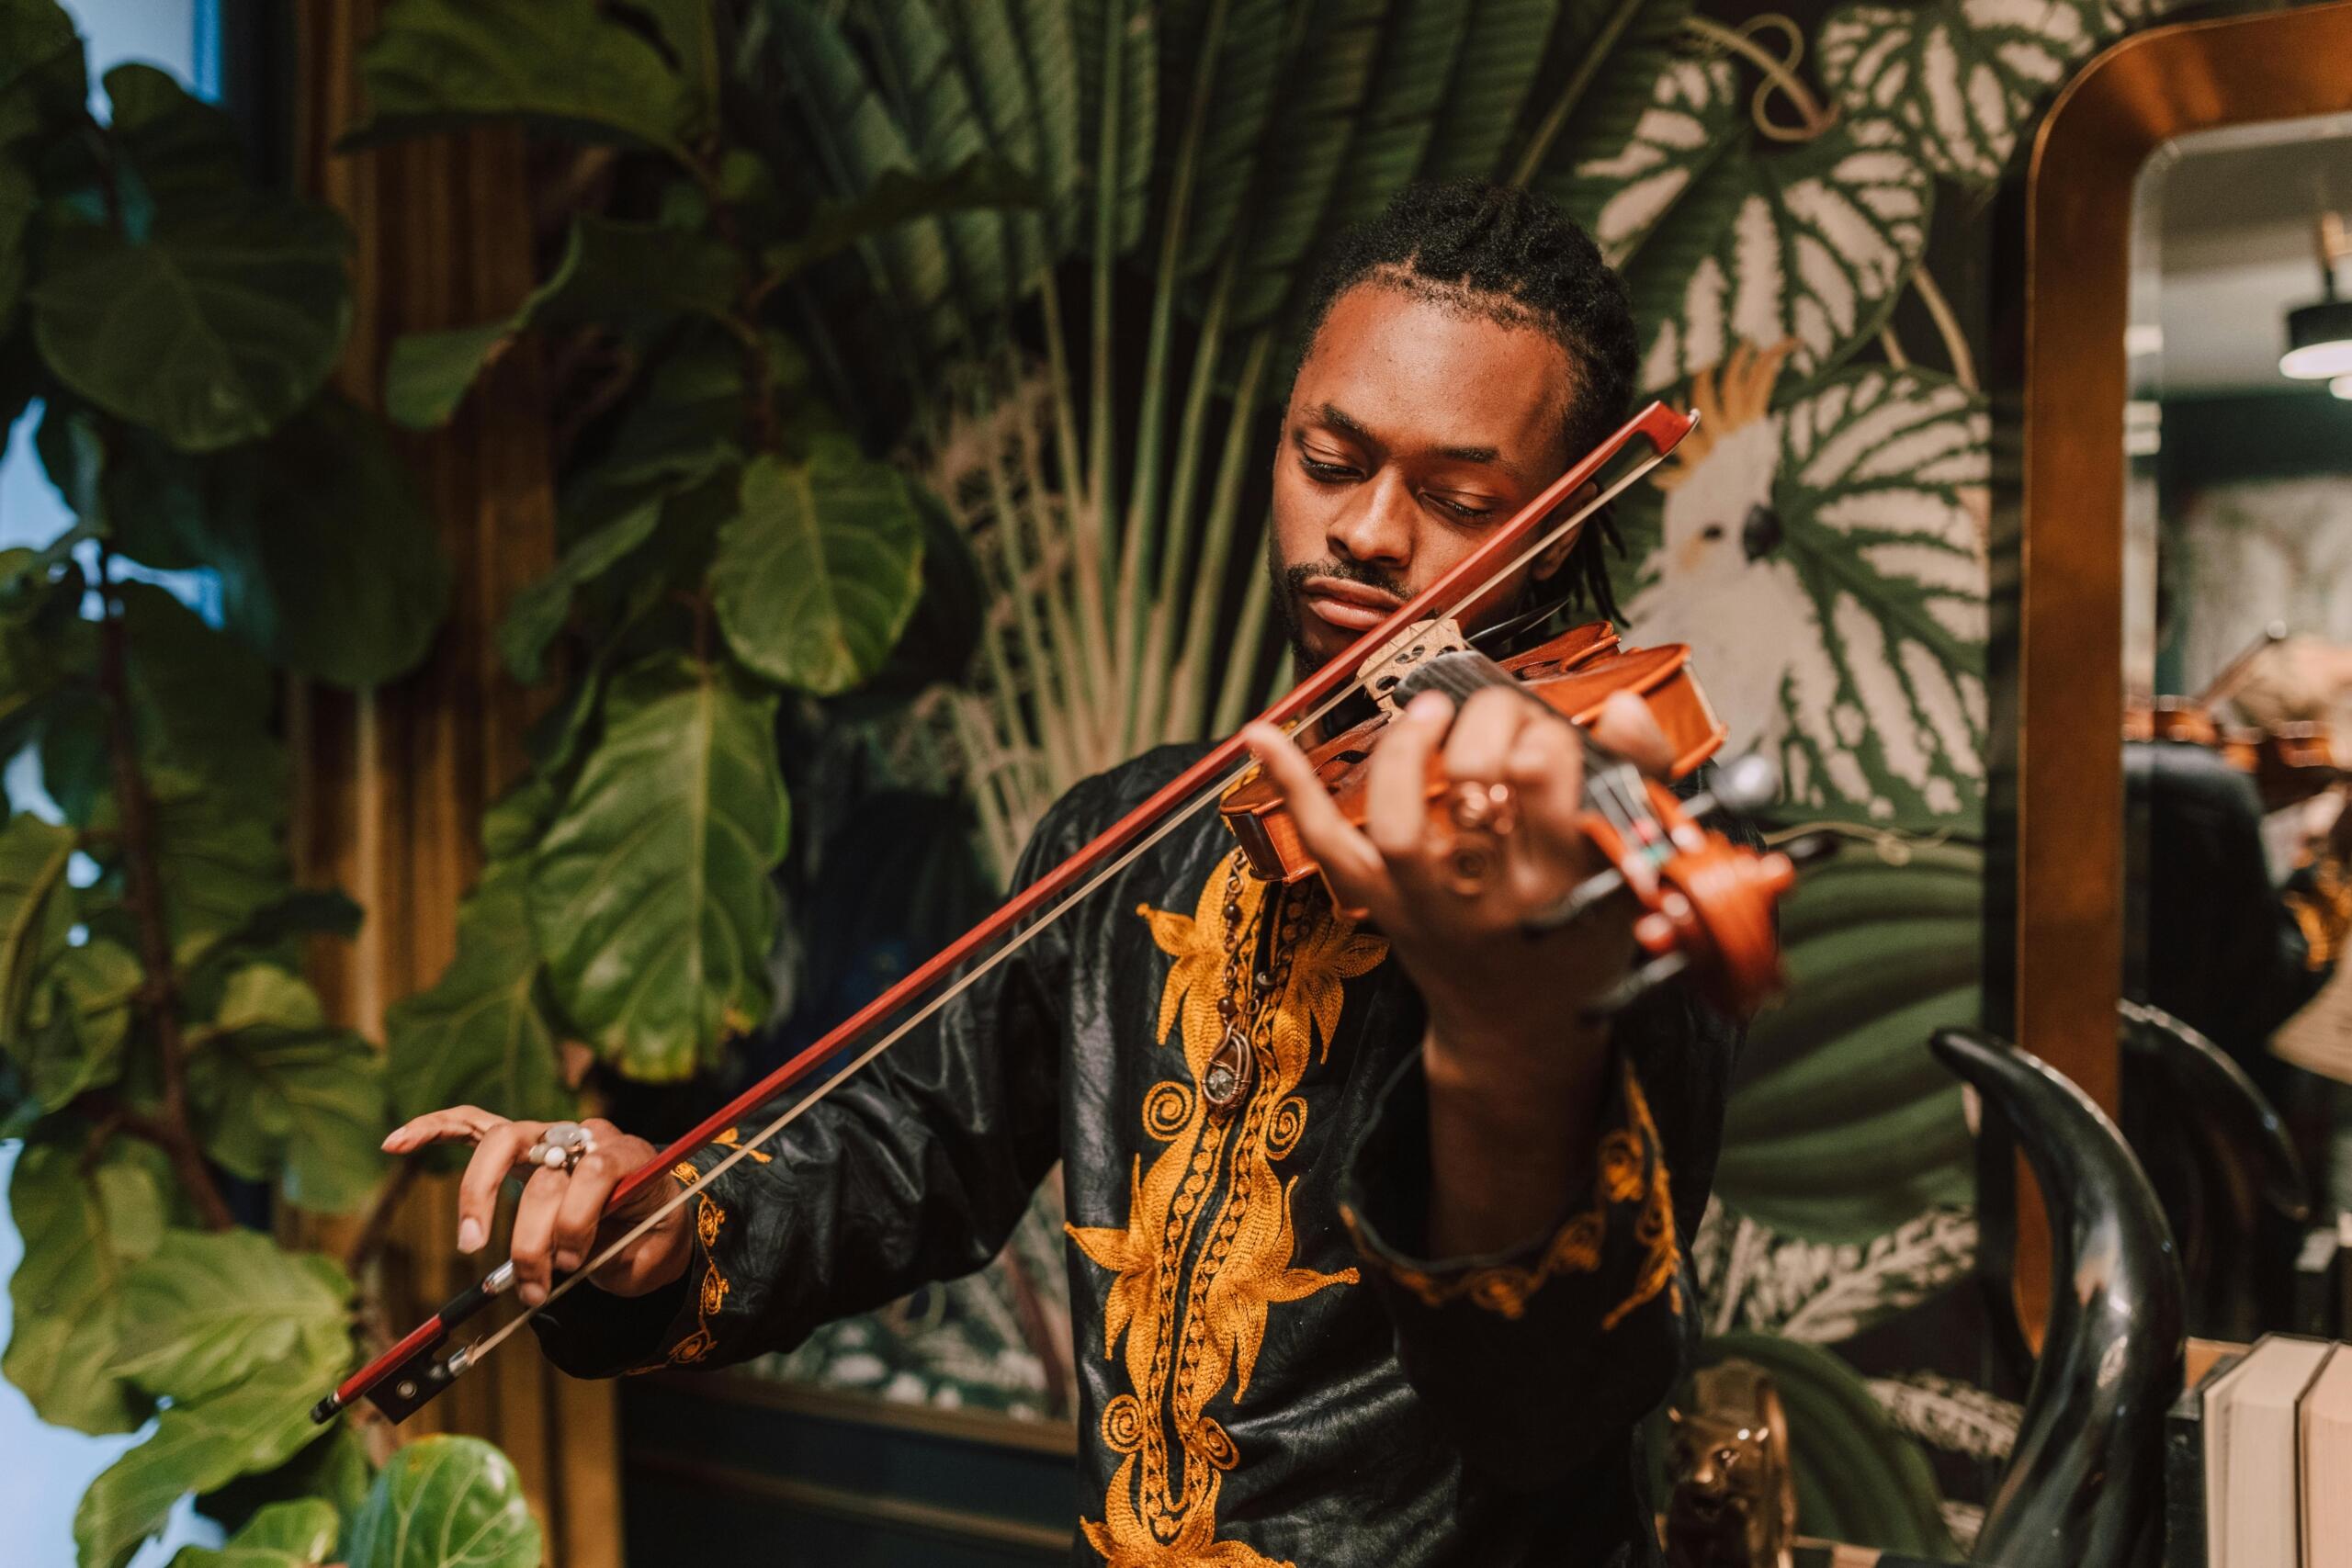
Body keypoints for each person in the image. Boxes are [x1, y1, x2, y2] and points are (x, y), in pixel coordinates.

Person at [385, 179, 1742, 1566]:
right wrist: (667, 1223)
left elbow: (1546, 1414)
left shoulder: (1597, 875)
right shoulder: (1136, 830)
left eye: (1458, 498)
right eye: (1327, 461)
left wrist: (1507, 1032)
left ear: (1563, 526)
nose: (1370, 534)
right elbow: (904, 1147)